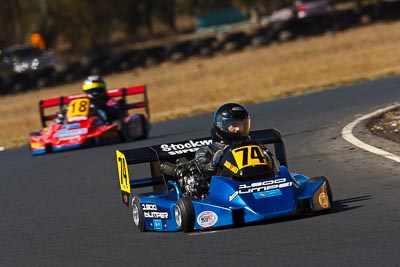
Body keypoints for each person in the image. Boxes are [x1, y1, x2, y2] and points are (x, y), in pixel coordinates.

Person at [164, 102, 279, 199]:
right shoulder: (207, 150)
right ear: (221, 125)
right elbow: (204, 172)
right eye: (234, 125)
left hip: (256, 182)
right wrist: (213, 164)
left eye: (241, 124)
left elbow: (273, 164)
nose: (238, 128)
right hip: (222, 191)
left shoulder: (254, 144)